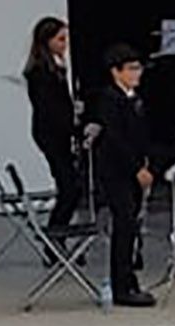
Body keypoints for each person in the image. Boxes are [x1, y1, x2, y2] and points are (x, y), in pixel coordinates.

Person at [86, 43, 159, 308]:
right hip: (117, 172)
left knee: (132, 226)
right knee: (124, 224)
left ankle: (130, 279)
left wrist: (148, 162)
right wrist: (136, 168)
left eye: (138, 68)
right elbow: (116, 140)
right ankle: (121, 286)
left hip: (135, 167)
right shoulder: (109, 99)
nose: (137, 73)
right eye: (131, 69)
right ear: (116, 72)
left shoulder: (134, 98)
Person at [23, 16, 87, 233]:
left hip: (58, 133)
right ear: (47, 41)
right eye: (60, 39)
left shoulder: (56, 67)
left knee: (71, 187)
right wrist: (76, 130)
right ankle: (54, 237)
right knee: (70, 188)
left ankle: (57, 235)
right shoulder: (41, 72)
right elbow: (50, 110)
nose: (65, 44)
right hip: (51, 134)